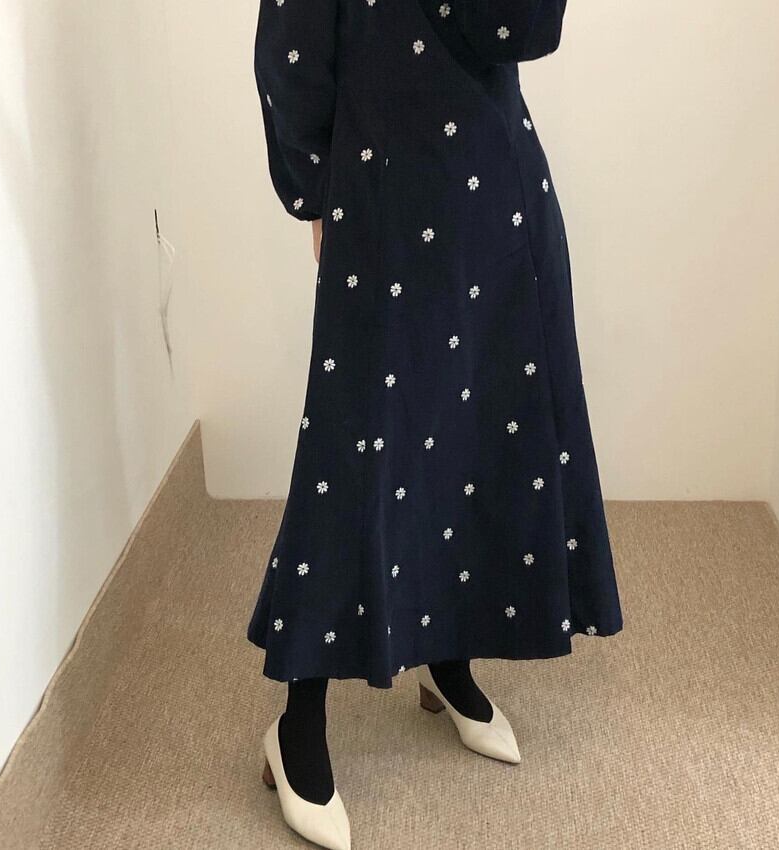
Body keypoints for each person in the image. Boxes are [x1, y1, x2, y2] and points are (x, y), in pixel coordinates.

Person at [246, 2, 623, 847]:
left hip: (499, 189)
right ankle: (298, 716)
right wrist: (315, 191)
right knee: (356, 460)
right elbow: (291, 45)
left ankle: (448, 657)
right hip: (378, 188)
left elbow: (525, 31)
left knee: (482, 435)